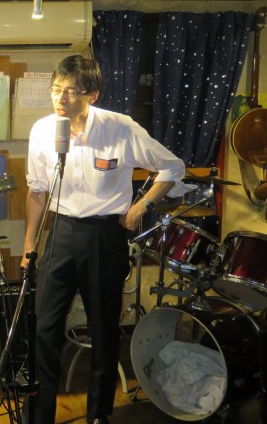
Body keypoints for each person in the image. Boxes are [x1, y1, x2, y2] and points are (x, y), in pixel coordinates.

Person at [21, 55, 191, 424]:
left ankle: (98, 414)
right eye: (55, 90)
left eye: (70, 91)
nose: (60, 98)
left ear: (92, 95)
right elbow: (36, 191)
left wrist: (142, 205)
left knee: (103, 330)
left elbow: (172, 166)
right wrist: (29, 245)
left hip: (104, 236)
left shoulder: (120, 128)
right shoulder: (43, 130)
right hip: (61, 232)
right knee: (44, 329)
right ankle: (39, 416)